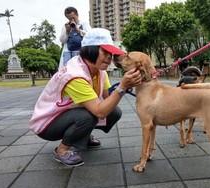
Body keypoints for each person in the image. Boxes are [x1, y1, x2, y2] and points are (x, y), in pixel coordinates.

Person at [29, 28, 142, 167]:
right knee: (89, 116)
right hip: (47, 124)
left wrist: (126, 86)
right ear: (90, 50)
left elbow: (107, 100)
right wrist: (123, 87)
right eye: (104, 51)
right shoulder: (75, 75)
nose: (109, 57)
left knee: (114, 112)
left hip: (67, 114)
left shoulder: (100, 71)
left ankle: (83, 136)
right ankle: (62, 150)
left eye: (111, 53)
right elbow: (100, 111)